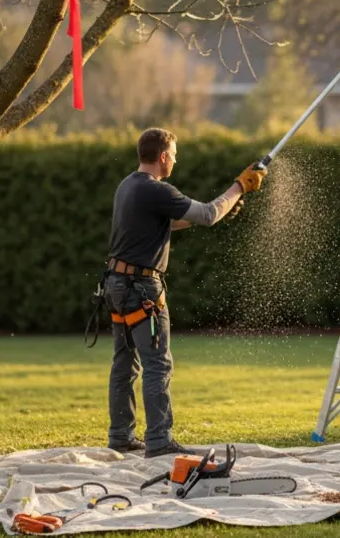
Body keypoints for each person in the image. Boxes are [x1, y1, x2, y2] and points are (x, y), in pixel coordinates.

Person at [103, 127, 266, 457]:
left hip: (116, 286)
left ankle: (121, 435)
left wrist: (222, 208)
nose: (175, 161)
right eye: (174, 155)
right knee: (157, 365)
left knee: (125, 364)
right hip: (142, 290)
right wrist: (240, 186)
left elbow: (169, 222)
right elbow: (207, 214)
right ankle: (160, 440)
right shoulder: (155, 189)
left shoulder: (128, 186)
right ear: (163, 157)